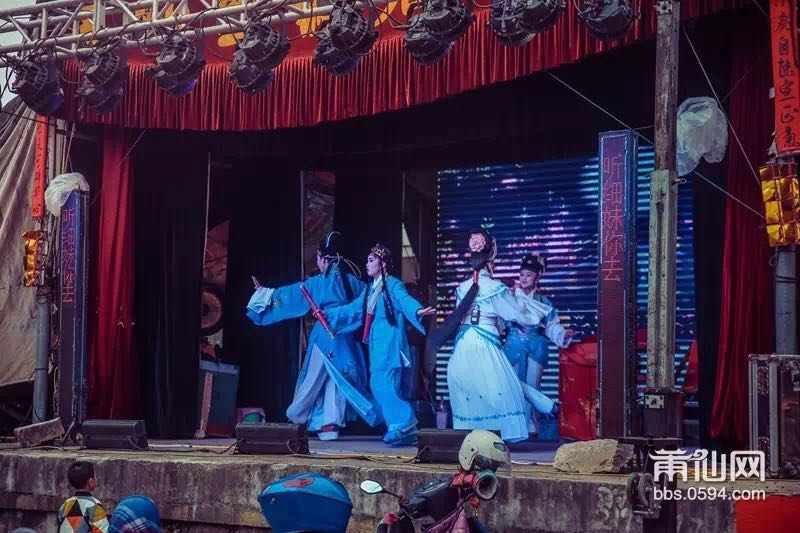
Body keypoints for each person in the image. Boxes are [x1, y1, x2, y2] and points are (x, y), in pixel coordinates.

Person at [427, 228, 557, 443]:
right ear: (491, 260)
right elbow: (519, 313)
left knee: (473, 390)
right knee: (503, 387)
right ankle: (507, 430)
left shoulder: (462, 288)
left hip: (463, 345)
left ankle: (473, 436)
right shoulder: (496, 288)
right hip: (484, 345)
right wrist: (536, 310)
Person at [247, 231, 380, 441]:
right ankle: (330, 424)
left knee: (313, 377)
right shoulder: (355, 283)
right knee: (337, 380)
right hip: (346, 338)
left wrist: (264, 293)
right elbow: (371, 301)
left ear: (323, 258)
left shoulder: (318, 283)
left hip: (325, 334)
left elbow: (290, 296)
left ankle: (296, 415)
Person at [325, 244, 434, 446]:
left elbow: (404, 300)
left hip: (390, 342)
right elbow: (354, 309)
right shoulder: (371, 289)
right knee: (379, 385)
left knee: (384, 384)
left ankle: (405, 424)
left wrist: (417, 311)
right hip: (378, 344)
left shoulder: (392, 284)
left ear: (383, 264)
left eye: (371, 260)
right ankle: (399, 427)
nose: (367, 264)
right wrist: (329, 314)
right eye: (367, 260)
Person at [504, 254, 574, 434]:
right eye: (522, 274)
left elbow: (552, 327)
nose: (524, 278)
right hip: (513, 345)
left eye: (528, 275)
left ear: (537, 277)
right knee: (513, 386)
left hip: (536, 346)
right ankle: (514, 425)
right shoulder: (510, 297)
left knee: (533, 386)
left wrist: (563, 334)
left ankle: (531, 425)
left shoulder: (544, 302)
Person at [56, 461, 109, 533]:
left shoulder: (65, 505)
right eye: (95, 476)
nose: (96, 479)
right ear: (90, 481)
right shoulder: (94, 505)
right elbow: (102, 530)